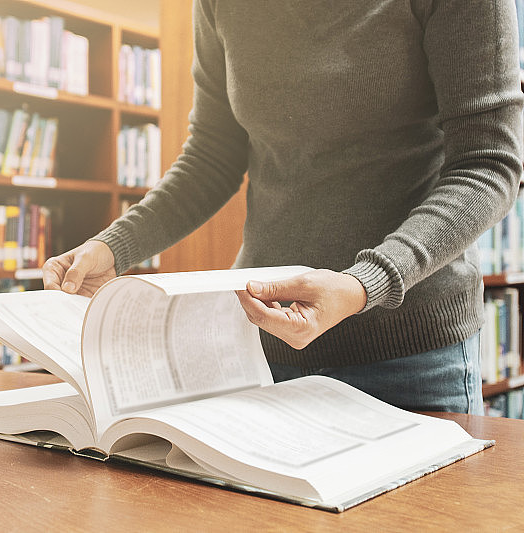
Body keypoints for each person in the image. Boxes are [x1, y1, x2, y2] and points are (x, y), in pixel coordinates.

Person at [43, 0, 524, 415]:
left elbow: (488, 163)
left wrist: (364, 284)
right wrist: (115, 246)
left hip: (406, 355)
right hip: (256, 345)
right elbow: (212, 156)